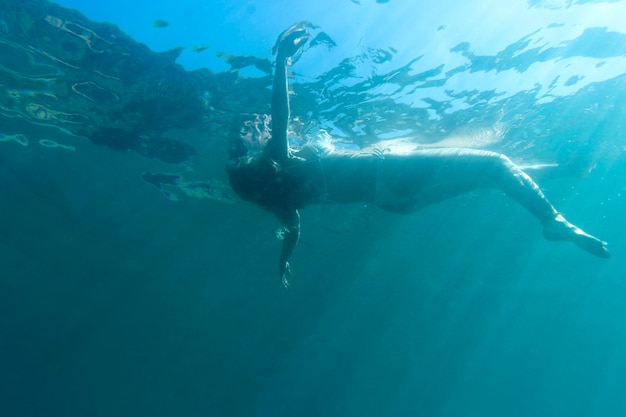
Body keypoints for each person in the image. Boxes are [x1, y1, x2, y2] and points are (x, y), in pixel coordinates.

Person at [226, 22, 610, 287]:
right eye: (252, 130)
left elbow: (292, 229)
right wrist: (282, 61)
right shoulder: (275, 159)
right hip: (387, 169)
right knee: (494, 164)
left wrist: (284, 260)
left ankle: (566, 170)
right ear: (249, 150)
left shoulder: (280, 196)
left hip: (394, 200)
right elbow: (280, 115)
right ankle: (553, 220)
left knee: (490, 175)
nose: (260, 127)